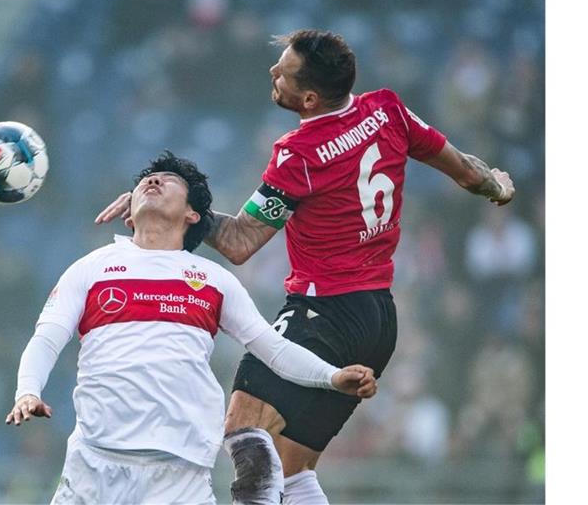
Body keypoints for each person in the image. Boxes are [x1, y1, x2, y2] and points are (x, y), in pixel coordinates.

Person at [95, 30, 516, 504]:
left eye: (284, 73)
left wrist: (178, 209)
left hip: (323, 312)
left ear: (309, 98)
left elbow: (238, 242)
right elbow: (466, 170)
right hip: (378, 320)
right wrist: (496, 186)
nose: (273, 74)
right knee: (293, 472)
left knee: (243, 427)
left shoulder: (301, 153)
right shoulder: (388, 110)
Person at [7, 151, 378, 504]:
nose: (153, 181)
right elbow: (48, 338)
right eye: (146, 180)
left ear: (193, 214)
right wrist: (27, 391)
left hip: (180, 472)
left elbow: (273, 349)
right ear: (129, 214)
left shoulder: (214, 280)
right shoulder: (90, 268)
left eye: (169, 180)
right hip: (95, 464)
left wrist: (332, 377)